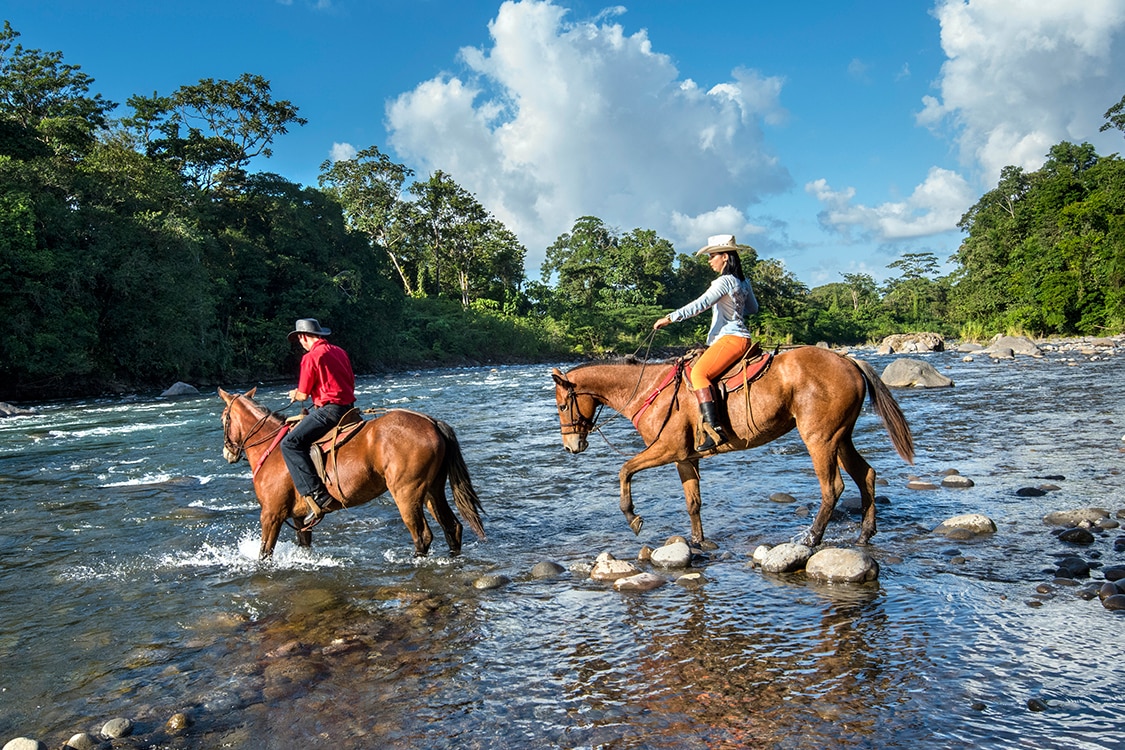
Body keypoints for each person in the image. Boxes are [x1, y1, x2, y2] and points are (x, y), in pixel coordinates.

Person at [653, 234, 759, 452]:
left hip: (730, 338)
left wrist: (671, 318)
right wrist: (736, 306)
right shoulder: (742, 282)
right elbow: (753, 309)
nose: (710, 261)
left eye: (712, 256)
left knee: (699, 374)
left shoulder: (724, 281)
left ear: (726, 258)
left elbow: (701, 304)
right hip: (743, 337)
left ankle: (714, 429)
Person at [280, 318, 356, 528]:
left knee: (289, 444)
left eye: (299, 340)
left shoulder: (311, 357)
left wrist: (295, 394)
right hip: (348, 409)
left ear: (304, 337)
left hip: (329, 411)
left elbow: (304, 394)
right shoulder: (340, 351)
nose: (300, 344)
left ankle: (317, 495)